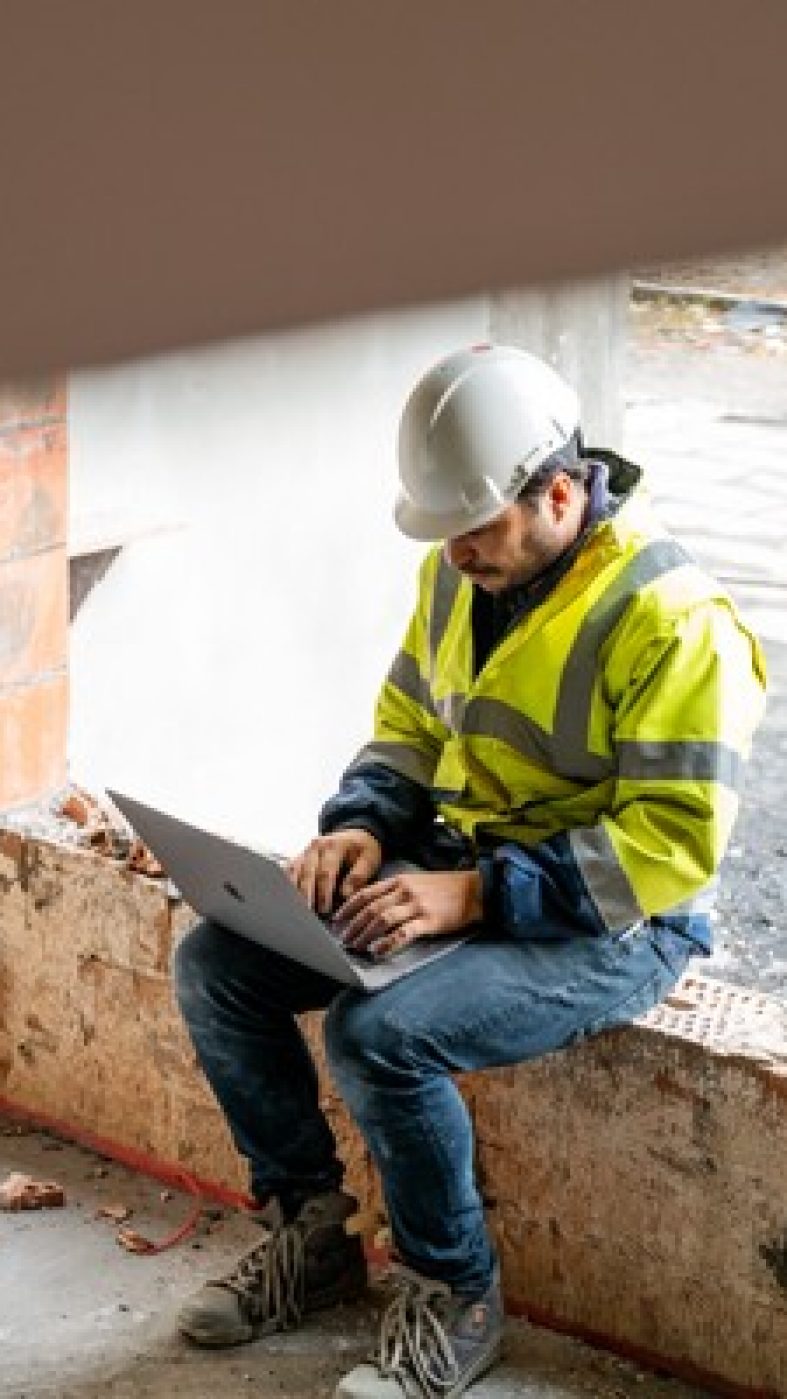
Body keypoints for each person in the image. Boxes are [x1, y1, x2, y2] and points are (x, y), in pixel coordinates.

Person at [173, 344, 766, 1398]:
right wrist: (362, 823)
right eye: (443, 533)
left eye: (475, 532)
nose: (454, 558)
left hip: (619, 920)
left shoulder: (676, 621)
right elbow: (408, 724)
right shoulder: (460, 575)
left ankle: (456, 1296)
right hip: (471, 864)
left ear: (556, 494)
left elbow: (669, 849)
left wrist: (477, 894)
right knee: (218, 965)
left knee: (381, 1036)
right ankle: (312, 1239)